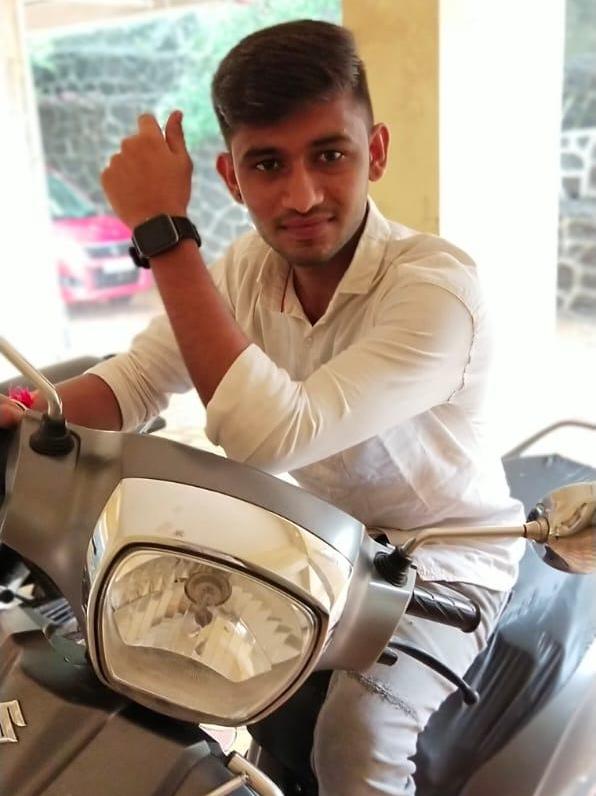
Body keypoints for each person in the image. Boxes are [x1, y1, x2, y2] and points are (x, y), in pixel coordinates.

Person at [0, 19, 525, 795]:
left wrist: (164, 235)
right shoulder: (246, 270)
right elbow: (136, 381)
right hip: (314, 542)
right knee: (165, 669)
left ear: (376, 151)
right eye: (268, 164)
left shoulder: (436, 291)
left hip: (442, 564)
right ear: (230, 175)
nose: (301, 195)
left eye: (330, 155)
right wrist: (17, 409)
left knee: (358, 740)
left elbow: (275, 435)